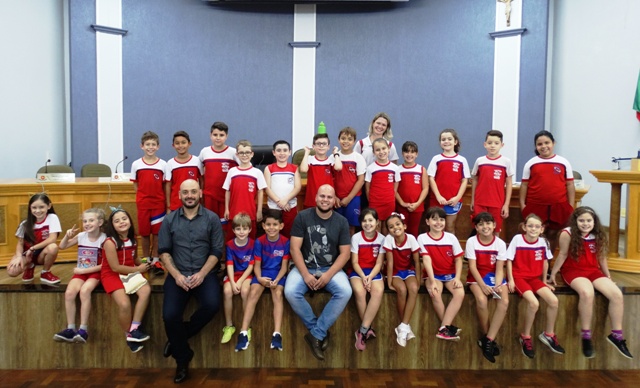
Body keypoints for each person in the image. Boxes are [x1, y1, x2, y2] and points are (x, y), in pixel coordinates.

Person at [158, 179, 224, 384]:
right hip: (178, 275)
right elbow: (164, 252)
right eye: (185, 192)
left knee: (213, 305)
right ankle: (183, 358)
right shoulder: (169, 220)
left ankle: (177, 339)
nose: (189, 195)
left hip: (204, 274)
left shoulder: (212, 219)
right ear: (179, 195)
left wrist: (203, 274)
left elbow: (216, 250)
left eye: (193, 191)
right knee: (169, 316)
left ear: (200, 193)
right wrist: (177, 276)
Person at [548, 206, 633, 359]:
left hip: (593, 271)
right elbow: (562, 254)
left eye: (589, 220)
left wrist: (608, 276)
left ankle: (617, 335)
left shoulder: (599, 234)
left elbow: (601, 258)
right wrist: (553, 273)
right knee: (587, 293)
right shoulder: (567, 234)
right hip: (573, 271)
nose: (585, 224)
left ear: (594, 222)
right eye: (581, 220)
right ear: (575, 222)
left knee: (617, 295)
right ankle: (586, 336)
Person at [284, 184, 352, 361]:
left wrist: (328, 275)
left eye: (329, 197)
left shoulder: (341, 221)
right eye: (322, 196)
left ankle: (316, 334)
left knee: (345, 291)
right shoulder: (302, 217)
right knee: (291, 292)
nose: (325, 200)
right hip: (304, 267)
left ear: (334, 200)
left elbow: (345, 254)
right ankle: (319, 331)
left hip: (330, 269)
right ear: (315, 198)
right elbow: (294, 249)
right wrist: (306, 274)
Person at [506, 213, 564, 359]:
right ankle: (525, 336)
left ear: (542, 229)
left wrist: (544, 281)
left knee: (554, 301)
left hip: (534, 278)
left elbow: (545, 262)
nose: (533, 229)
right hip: (519, 277)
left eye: (537, 226)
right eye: (530, 226)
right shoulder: (517, 239)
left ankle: (548, 334)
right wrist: (511, 280)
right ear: (524, 227)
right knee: (533, 303)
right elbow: (508, 260)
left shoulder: (543, 242)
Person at [235, 209, 290, 352]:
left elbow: (284, 267)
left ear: (281, 226)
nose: (272, 228)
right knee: (253, 292)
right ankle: (243, 332)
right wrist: (259, 278)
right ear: (264, 226)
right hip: (262, 273)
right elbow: (257, 265)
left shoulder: (285, 242)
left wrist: (277, 280)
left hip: (278, 274)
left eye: (275, 225)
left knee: (277, 294)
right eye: (268, 225)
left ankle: (277, 334)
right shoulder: (259, 242)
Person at [100, 208, 152, 353]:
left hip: (129, 271)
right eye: (117, 221)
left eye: (124, 219)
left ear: (130, 220)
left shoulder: (133, 238)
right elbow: (115, 268)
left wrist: (143, 263)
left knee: (146, 290)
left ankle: (135, 327)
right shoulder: (110, 242)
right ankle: (128, 334)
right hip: (112, 274)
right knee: (124, 304)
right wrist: (138, 270)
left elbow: (134, 258)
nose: (121, 222)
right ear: (112, 225)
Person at [53, 208, 107, 343]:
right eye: (84, 221)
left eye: (91, 220)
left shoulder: (104, 239)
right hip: (81, 272)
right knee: (70, 292)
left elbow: (106, 264)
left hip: (95, 273)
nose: (87, 223)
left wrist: (83, 271)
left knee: (85, 291)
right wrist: (67, 236)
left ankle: (83, 329)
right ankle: (70, 329)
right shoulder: (82, 236)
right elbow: (63, 247)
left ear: (100, 222)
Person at [520, 130, 575, 253]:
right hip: (536, 205)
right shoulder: (531, 163)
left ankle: (547, 262)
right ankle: (534, 262)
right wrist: (523, 205)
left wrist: (570, 206)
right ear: (536, 146)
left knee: (553, 234)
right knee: (534, 234)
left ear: (553, 143)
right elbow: (524, 185)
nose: (544, 146)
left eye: (547, 143)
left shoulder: (563, 162)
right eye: (540, 144)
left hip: (558, 205)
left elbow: (570, 184)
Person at [465, 212, 509, 363]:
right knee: (481, 300)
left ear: (494, 225)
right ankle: (486, 336)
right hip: (477, 278)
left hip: (494, 277)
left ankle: (489, 339)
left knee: (504, 302)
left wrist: (497, 285)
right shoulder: (471, 241)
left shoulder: (500, 243)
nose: (485, 227)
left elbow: (499, 269)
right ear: (476, 227)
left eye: (488, 223)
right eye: (481, 224)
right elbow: (472, 267)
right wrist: (483, 286)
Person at [418, 207, 465, 341]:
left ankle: (444, 327)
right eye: (434, 219)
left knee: (460, 293)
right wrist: (432, 281)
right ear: (427, 222)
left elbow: (458, 259)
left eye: (442, 219)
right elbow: (426, 260)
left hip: (450, 274)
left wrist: (457, 277)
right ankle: (446, 328)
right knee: (435, 292)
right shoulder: (422, 238)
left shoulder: (451, 238)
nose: (438, 222)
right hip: (433, 275)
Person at [349, 208, 386, 351]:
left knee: (378, 290)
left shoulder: (382, 238)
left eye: (371, 220)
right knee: (359, 291)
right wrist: (364, 277)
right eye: (364, 221)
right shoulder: (356, 237)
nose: (367, 223)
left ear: (377, 222)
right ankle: (368, 328)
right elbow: (354, 262)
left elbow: (379, 263)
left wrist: (370, 277)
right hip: (358, 271)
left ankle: (362, 330)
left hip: (373, 272)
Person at [7, 193, 61, 284]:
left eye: (41, 207)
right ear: (30, 208)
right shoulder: (25, 223)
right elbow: (20, 244)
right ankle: (29, 266)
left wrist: (33, 248)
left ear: (49, 206)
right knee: (11, 271)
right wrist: (19, 257)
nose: (38, 210)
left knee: (53, 247)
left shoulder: (52, 218)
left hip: (41, 254)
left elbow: (52, 239)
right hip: (27, 254)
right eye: (34, 208)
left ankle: (45, 272)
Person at [384, 212, 420, 347]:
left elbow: (417, 262)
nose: (395, 228)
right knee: (402, 290)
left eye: (398, 224)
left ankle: (403, 326)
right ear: (388, 230)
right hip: (395, 272)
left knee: (413, 288)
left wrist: (418, 279)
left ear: (404, 226)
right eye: (391, 227)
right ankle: (405, 327)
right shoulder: (389, 239)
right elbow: (390, 262)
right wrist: (389, 281)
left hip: (408, 270)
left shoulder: (411, 239)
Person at [130, 130, 166, 262]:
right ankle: (146, 258)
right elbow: (136, 185)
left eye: (153, 144)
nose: (150, 147)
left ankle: (156, 258)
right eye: (147, 144)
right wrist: (142, 197)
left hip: (158, 205)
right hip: (143, 205)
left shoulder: (163, 164)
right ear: (142, 146)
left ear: (158, 147)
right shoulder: (136, 164)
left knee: (157, 233)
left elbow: (164, 186)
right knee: (144, 233)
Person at [427, 128, 471, 234]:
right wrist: (438, 196)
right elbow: (431, 178)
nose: (446, 141)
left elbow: (465, 180)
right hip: (437, 200)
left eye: (449, 139)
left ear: (455, 142)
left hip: (453, 200)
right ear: (440, 142)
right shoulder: (436, 159)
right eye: (443, 139)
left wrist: (457, 197)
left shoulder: (462, 160)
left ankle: (451, 250)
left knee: (450, 227)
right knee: (435, 227)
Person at [470, 130, 514, 234]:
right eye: (489, 143)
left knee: (495, 230)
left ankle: (495, 250)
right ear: (485, 144)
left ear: (502, 145)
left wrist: (506, 204)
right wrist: (473, 200)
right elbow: (475, 180)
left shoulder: (506, 162)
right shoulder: (480, 161)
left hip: (497, 202)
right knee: (480, 229)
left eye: (496, 143)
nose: (492, 146)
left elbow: (509, 183)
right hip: (480, 202)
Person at [221, 213, 254, 344]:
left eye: (245, 228)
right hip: (233, 274)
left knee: (245, 291)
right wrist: (233, 282)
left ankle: (246, 328)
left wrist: (240, 282)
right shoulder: (229, 244)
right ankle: (229, 326)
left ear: (250, 230)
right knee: (227, 291)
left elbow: (251, 266)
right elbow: (229, 264)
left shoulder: (253, 244)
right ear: (233, 230)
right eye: (238, 229)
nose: (241, 232)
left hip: (246, 274)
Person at [223, 140, 267, 239]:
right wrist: (226, 209)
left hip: (250, 212)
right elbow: (227, 191)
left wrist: (259, 210)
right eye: (241, 152)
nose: (244, 155)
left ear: (252, 154)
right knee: (231, 239)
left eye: (247, 152)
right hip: (233, 212)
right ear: (237, 154)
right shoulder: (232, 171)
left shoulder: (257, 172)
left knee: (250, 239)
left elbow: (260, 192)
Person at [198, 121, 238, 218]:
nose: (218, 138)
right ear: (210, 135)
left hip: (226, 196)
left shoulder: (233, 152)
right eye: (215, 134)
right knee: (210, 224)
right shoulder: (204, 152)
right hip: (209, 196)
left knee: (225, 225)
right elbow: (199, 173)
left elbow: (246, 168)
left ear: (226, 136)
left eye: (221, 135)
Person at [263, 140, 301, 238]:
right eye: (279, 150)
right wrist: (279, 201)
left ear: (290, 152)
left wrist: (285, 200)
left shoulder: (294, 168)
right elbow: (267, 188)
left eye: (285, 150)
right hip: (274, 207)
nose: (282, 153)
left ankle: (288, 253)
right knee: (273, 232)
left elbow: (297, 187)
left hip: (290, 207)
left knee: (289, 233)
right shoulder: (269, 168)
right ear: (274, 152)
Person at [334, 127, 366, 236]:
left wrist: (348, 198)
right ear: (338, 140)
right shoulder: (333, 157)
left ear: (354, 141)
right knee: (336, 227)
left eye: (349, 139)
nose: (346, 141)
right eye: (343, 138)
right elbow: (330, 179)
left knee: (350, 227)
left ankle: (350, 252)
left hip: (353, 198)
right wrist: (334, 196)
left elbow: (361, 180)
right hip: (336, 199)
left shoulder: (358, 158)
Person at [365, 138, 400, 235]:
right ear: (373, 152)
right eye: (378, 150)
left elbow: (396, 185)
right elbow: (367, 187)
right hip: (375, 202)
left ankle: (386, 248)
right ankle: (377, 247)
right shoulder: (370, 168)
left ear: (389, 149)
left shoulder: (395, 168)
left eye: (384, 148)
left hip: (389, 202)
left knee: (387, 224)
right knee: (377, 225)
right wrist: (371, 199)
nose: (381, 152)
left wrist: (391, 197)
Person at [299, 132, 343, 208]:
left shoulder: (331, 160)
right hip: (312, 199)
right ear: (313, 146)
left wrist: (335, 153)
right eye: (318, 144)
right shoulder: (310, 159)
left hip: (327, 200)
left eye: (324, 144)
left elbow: (339, 167)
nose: (321, 146)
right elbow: (303, 169)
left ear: (328, 147)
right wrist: (306, 153)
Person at [165, 130, 203, 213]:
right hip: (176, 205)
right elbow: (168, 186)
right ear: (173, 145)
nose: (180, 145)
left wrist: (201, 201)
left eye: (183, 142)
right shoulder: (170, 163)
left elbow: (202, 182)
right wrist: (168, 206)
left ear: (189, 144)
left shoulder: (196, 161)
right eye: (177, 143)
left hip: (194, 204)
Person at [396, 141, 429, 237]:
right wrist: (402, 203)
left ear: (416, 154)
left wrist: (417, 203)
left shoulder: (421, 169)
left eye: (412, 152)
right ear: (402, 154)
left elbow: (425, 188)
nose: (409, 155)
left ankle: (413, 251)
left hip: (417, 207)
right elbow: (394, 190)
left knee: (414, 231)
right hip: (402, 207)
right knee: (401, 231)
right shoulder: (398, 169)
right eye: (406, 152)